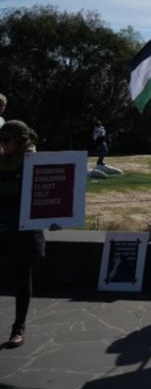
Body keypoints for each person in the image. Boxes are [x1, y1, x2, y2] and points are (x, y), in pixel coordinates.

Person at [0, 120, 45, 348]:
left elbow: (51, 191)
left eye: (5, 141)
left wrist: (56, 216)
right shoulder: (1, 161)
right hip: (2, 223)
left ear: (18, 141)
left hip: (24, 227)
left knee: (21, 276)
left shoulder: (33, 162)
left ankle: (19, 327)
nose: (2, 145)